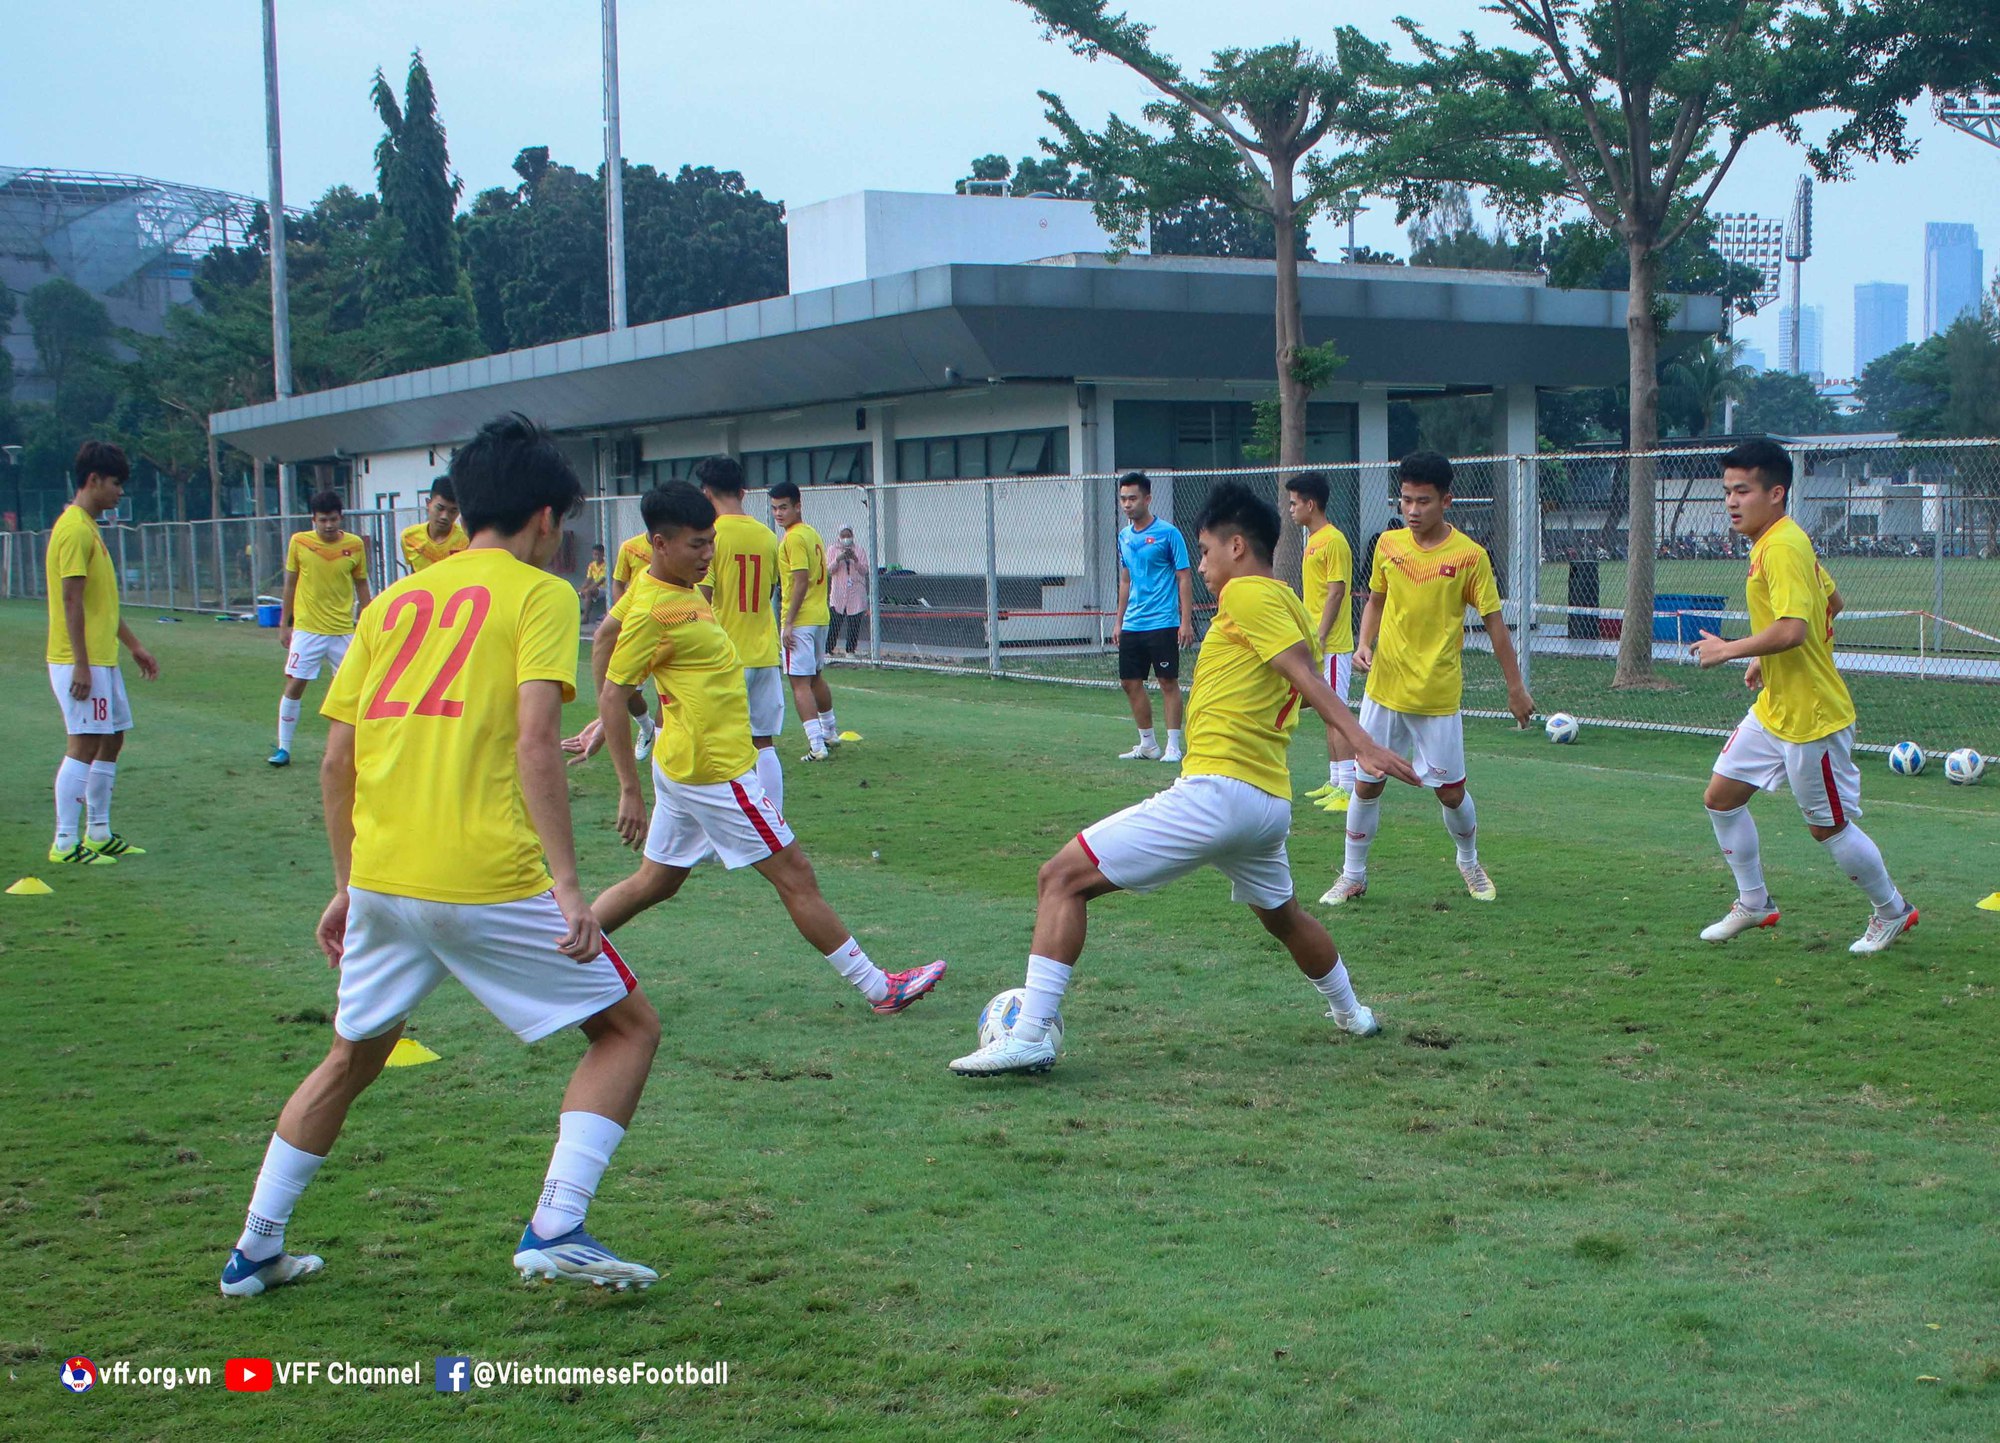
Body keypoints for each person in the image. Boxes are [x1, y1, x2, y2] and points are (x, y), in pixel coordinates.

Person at [219, 413, 663, 1297]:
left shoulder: (389, 601)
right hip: (486, 877)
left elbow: (336, 756)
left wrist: (348, 886)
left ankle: (256, 1245)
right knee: (627, 1029)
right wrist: (570, 886)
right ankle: (558, 1224)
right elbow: (539, 740)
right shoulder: (537, 595)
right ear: (546, 517)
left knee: (352, 1055)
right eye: (566, 523)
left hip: (385, 878)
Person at [949, 482, 1420, 1078]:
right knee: (1285, 918)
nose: (1200, 566)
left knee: (1060, 878)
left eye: (1204, 551)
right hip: (1264, 802)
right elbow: (1289, 687)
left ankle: (1031, 1033)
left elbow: (1303, 676)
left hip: (1218, 794)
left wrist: (1362, 743)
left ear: (1238, 546)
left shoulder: (1250, 593)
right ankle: (1353, 1014)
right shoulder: (1286, 606)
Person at [588, 481, 946, 1013]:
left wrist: (602, 719)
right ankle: (879, 988)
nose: (708, 554)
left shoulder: (661, 584)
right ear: (659, 543)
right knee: (796, 875)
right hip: (716, 773)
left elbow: (602, 643)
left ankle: (559, 949)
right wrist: (626, 787)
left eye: (710, 541)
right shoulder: (654, 610)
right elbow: (617, 685)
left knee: (656, 881)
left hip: (685, 764)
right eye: (695, 545)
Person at [1689, 437, 1917, 954]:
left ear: (1776, 493)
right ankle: (1754, 904)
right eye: (1726, 490)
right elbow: (1831, 600)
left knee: (1829, 829)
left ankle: (1892, 911)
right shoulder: (1778, 542)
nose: (1730, 501)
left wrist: (1729, 650)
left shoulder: (1784, 546)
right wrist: (1764, 660)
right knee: (1721, 799)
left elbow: (1793, 629)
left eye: (1742, 490)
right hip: (1776, 710)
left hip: (1813, 718)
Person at [1321, 452, 1534, 908]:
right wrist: (1364, 641)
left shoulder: (1470, 557)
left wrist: (1515, 688)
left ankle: (1469, 861)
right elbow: (1376, 599)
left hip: (1437, 694)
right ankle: (1352, 875)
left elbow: (1496, 625)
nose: (1412, 511)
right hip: (1385, 688)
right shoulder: (1388, 546)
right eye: (1406, 501)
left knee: (1451, 792)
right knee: (1366, 782)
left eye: (1423, 501)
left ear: (1447, 501)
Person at [44, 440, 159, 865]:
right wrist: (80, 663)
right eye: (115, 483)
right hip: (82, 660)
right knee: (84, 743)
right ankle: (63, 842)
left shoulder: (90, 527)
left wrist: (134, 646)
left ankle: (98, 832)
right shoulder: (73, 529)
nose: (120, 492)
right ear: (93, 480)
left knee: (112, 738)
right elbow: (71, 601)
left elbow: (99, 603)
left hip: (102, 657)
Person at [697, 457, 790, 810]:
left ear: (706, 494)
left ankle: (722, 824)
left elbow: (702, 602)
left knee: (719, 745)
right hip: (764, 652)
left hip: (725, 656)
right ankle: (775, 819)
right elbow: (768, 591)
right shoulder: (768, 537)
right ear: (742, 492)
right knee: (763, 743)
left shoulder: (710, 536)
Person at [270, 491, 373, 768]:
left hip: (343, 631)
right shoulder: (299, 542)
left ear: (341, 518)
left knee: (357, 690)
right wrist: (285, 625)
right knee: (296, 683)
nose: (328, 525)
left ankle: (360, 750)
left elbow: (361, 583)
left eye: (333, 519)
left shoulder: (354, 545)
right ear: (313, 519)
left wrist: (369, 617)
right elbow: (290, 584)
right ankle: (284, 747)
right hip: (308, 629)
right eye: (323, 520)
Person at [1285, 471, 1357, 815]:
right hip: (1317, 642)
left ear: (1310, 504)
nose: (1291, 510)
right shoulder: (1313, 540)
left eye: (1294, 503)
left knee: (1336, 712)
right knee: (1328, 714)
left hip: (1332, 644)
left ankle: (1350, 787)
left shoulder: (1334, 541)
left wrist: (1322, 636)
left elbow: (1337, 590)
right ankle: (1336, 780)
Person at [1111, 472, 1195, 762]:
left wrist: (1185, 621)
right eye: (1123, 499)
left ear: (1147, 499)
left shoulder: (1169, 534)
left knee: (1167, 680)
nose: (1127, 504)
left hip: (1163, 621)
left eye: (1132, 498)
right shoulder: (1123, 536)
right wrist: (1119, 620)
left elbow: (1183, 577)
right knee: (1129, 682)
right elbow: (1125, 579)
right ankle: (1148, 744)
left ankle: (1173, 745)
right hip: (1133, 622)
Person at [770, 480, 841, 761]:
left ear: (798, 506)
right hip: (819, 616)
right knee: (814, 678)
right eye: (774, 508)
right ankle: (830, 732)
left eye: (784, 507)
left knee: (799, 682)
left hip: (802, 620)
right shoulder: (811, 533)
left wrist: (788, 623)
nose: (778, 513)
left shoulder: (794, 538)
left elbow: (800, 581)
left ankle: (816, 745)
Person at [398, 476, 468, 573]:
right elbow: (413, 574)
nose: (445, 516)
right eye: (440, 508)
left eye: (453, 511)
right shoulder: (409, 538)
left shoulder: (466, 540)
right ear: (428, 503)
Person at [828, 525, 870, 656]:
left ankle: (850, 650)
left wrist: (855, 559)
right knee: (835, 622)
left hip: (855, 591)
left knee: (854, 622)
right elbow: (829, 570)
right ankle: (828, 649)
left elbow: (864, 570)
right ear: (839, 537)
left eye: (848, 535)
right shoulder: (832, 549)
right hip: (839, 592)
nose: (846, 538)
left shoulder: (859, 550)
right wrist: (838, 559)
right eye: (843, 536)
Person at [579, 543, 608, 622]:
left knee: (588, 592)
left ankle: (585, 617)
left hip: (605, 588)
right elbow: (589, 579)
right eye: (595, 554)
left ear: (603, 554)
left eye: (599, 554)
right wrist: (582, 588)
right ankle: (576, 614)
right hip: (595, 588)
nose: (597, 557)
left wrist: (588, 589)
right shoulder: (592, 565)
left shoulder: (606, 564)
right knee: (577, 591)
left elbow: (601, 580)